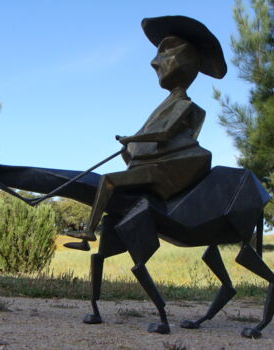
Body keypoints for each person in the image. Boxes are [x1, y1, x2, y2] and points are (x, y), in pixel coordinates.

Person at [66, 16, 227, 245]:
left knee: (108, 180)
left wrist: (131, 137)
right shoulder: (167, 104)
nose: (154, 63)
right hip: (154, 165)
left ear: (183, 61)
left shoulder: (184, 104)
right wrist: (132, 144)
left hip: (163, 171)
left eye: (164, 53)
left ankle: (89, 232)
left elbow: (164, 134)